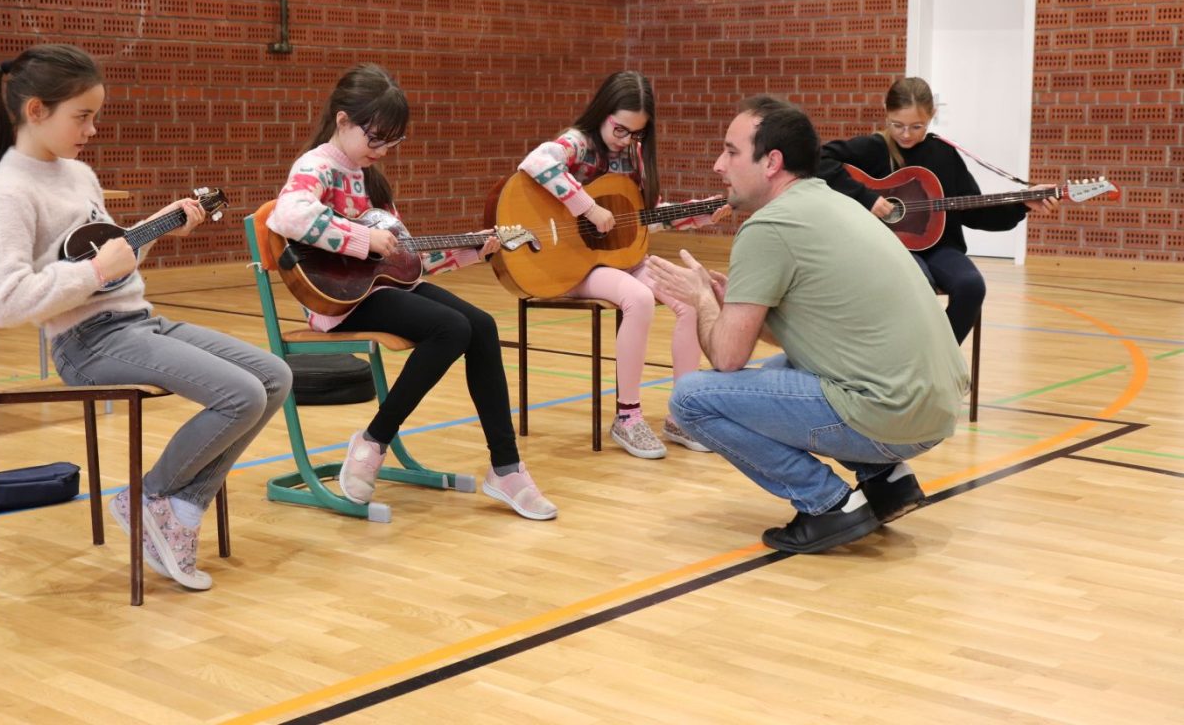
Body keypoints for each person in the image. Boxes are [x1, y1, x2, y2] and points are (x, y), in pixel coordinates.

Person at [0, 44, 293, 590]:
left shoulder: (77, 174)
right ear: (35, 112)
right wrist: (96, 273)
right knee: (241, 394)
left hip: (137, 321)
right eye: (82, 116)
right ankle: (151, 497)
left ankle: (180, 507)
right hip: (87, 344)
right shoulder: (8, 191)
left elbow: (105, 257)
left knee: (274, 376)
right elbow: (4, 302)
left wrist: (157, 229)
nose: (92, 129)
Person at [648, 96, 969, 554]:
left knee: (692, 399)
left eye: (731, 151)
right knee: (783, 365)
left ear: (772, 162)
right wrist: (732, 307)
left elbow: (725, 357)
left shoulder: (769, 228)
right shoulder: (836, 204)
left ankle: (829, 504)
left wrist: (701, 300)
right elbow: (819, 333)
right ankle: (886, 481)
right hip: (934, 407)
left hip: (893, 417)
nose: (719, 165)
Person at [267, 63, 557, 521]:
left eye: (390, 142)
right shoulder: (317, 165)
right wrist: (362, 240)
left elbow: (405, 263)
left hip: (381, 290)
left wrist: (471, 251)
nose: (381, 151)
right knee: (450, 327)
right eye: (374, 138)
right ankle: (374, 439)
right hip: (341, 302)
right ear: (343, 121)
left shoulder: (371, 180)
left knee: (480, 326)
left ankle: (506, 466)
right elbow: (287, 217)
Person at [516, 70, 731, 459]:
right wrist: (587, 207)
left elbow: (643, 217)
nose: (626, 139)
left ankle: (681, 415)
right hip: (571, 264)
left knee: (690, 298)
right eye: (619, 129)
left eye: (636, 134)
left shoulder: (634, 156)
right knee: (639, 299)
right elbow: (535, 162)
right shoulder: (578, 144)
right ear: (602, 113)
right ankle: (627, 417)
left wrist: (699, 215)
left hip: (620, 259)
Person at [817, 76, 1058, 344]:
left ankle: (940, 362)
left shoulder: (943, 154)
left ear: (932, 116)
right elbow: (816, 160)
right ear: (886, 112)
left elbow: (973, 211)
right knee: (916, 281)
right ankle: (911, 360)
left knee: (971, 286)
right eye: (897, 125)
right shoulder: (873, 149)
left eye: (916, 126)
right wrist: (867, 198)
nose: (906, 134)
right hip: (890, 247)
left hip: (941, 248)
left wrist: (1022, 204)